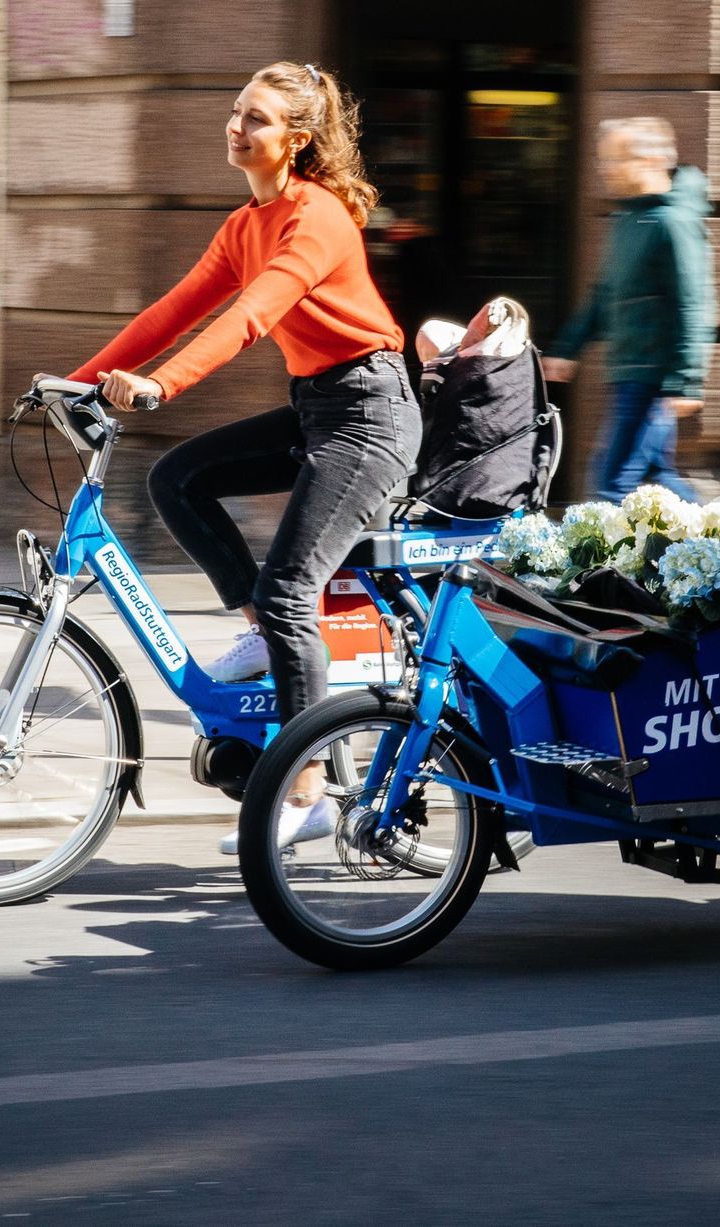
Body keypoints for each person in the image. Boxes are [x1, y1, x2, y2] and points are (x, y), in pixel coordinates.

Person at [70, 61, 420, 855]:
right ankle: (262, 627)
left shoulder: (319, 215)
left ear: (295, 141)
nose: (237, 126)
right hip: (316, 409)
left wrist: (161, 387)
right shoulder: (243, 224)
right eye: (235, 111)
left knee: (295, 588)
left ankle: (306, 792)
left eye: (256, 119)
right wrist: (81, 381)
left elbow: (254, 317)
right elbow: (176, 309)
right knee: (177, 478)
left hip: (371, 417)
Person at [541, 117, 714, 502]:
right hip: (628, 373)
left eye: (617, 159)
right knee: (655, 477)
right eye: (605, 159)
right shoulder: (627, 219)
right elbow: (604, 295)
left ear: (651, 160)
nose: (606, 168)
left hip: (653, 381)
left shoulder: (673, 221)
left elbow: (694, 303)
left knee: (611, 484)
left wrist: (685, 380)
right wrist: (567, 349)